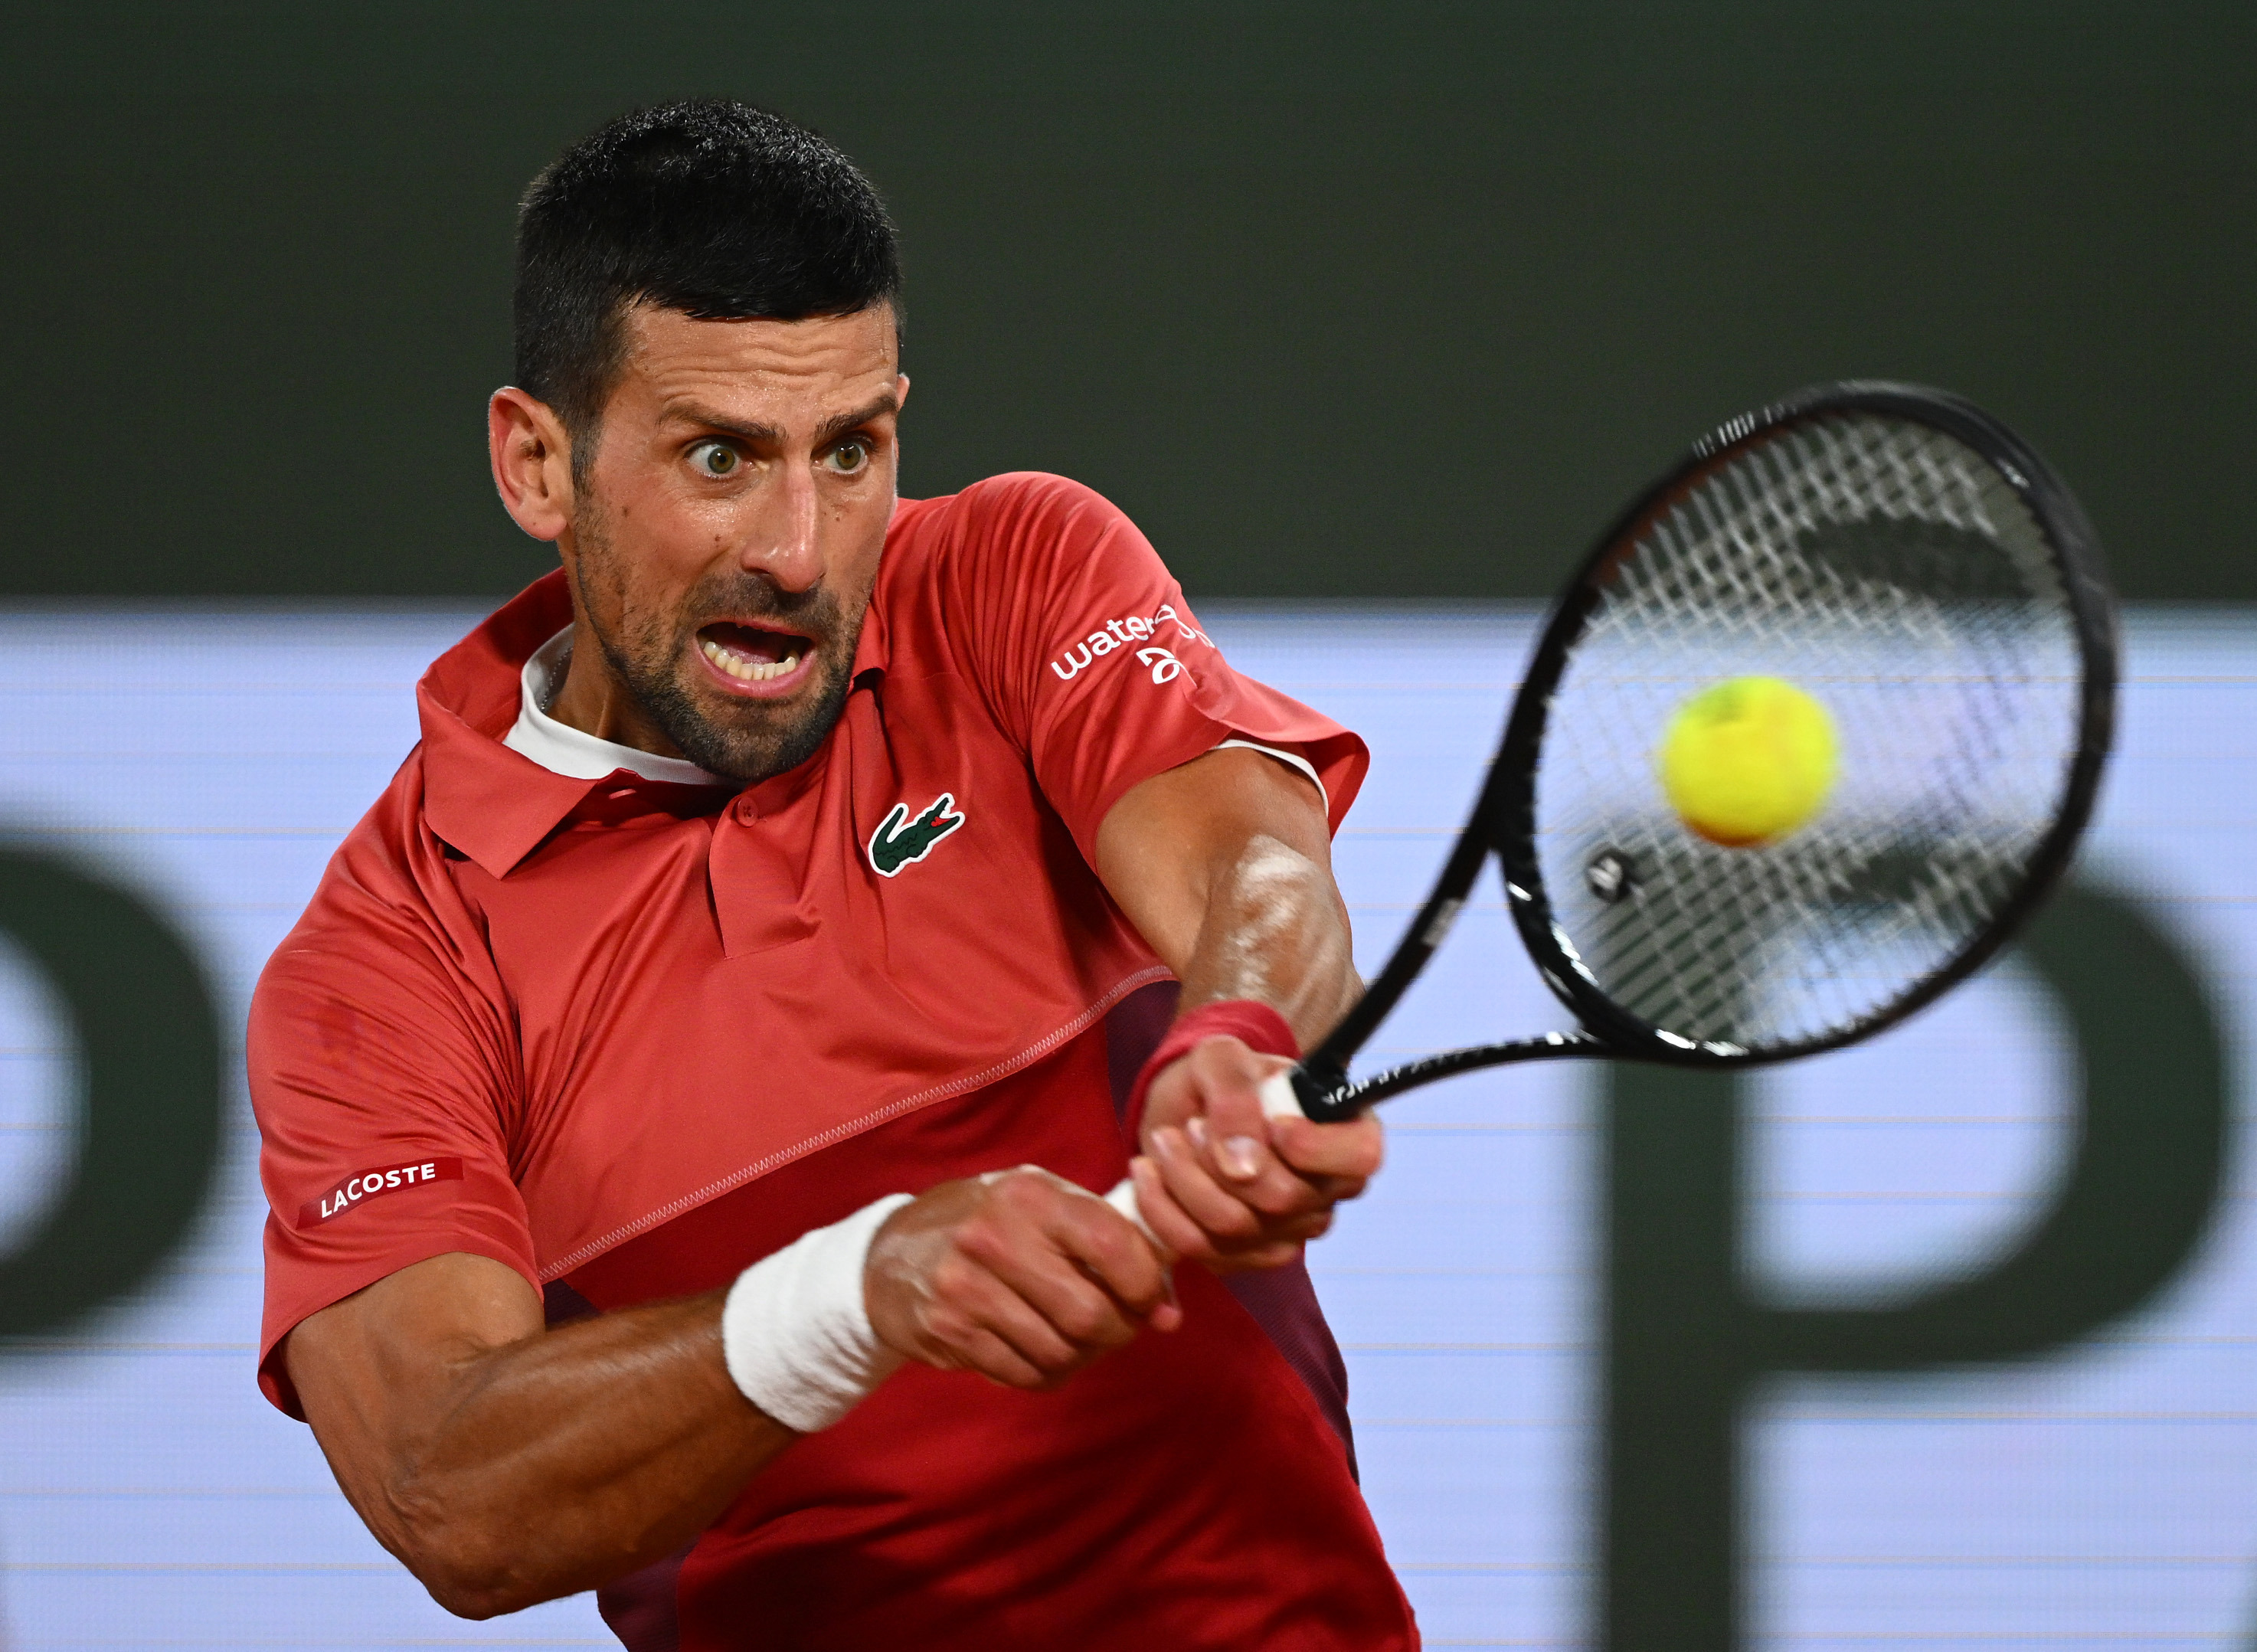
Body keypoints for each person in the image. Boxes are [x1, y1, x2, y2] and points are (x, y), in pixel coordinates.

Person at [250, 99, 1416, 1650]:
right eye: (719, 456)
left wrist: (1237, 1040)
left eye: (850, 450)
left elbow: (1248, 866)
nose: (801, 549)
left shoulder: (1007, 576)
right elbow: (449, 1490)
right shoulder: (385, 966)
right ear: (539, 463)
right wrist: (853, 1296)